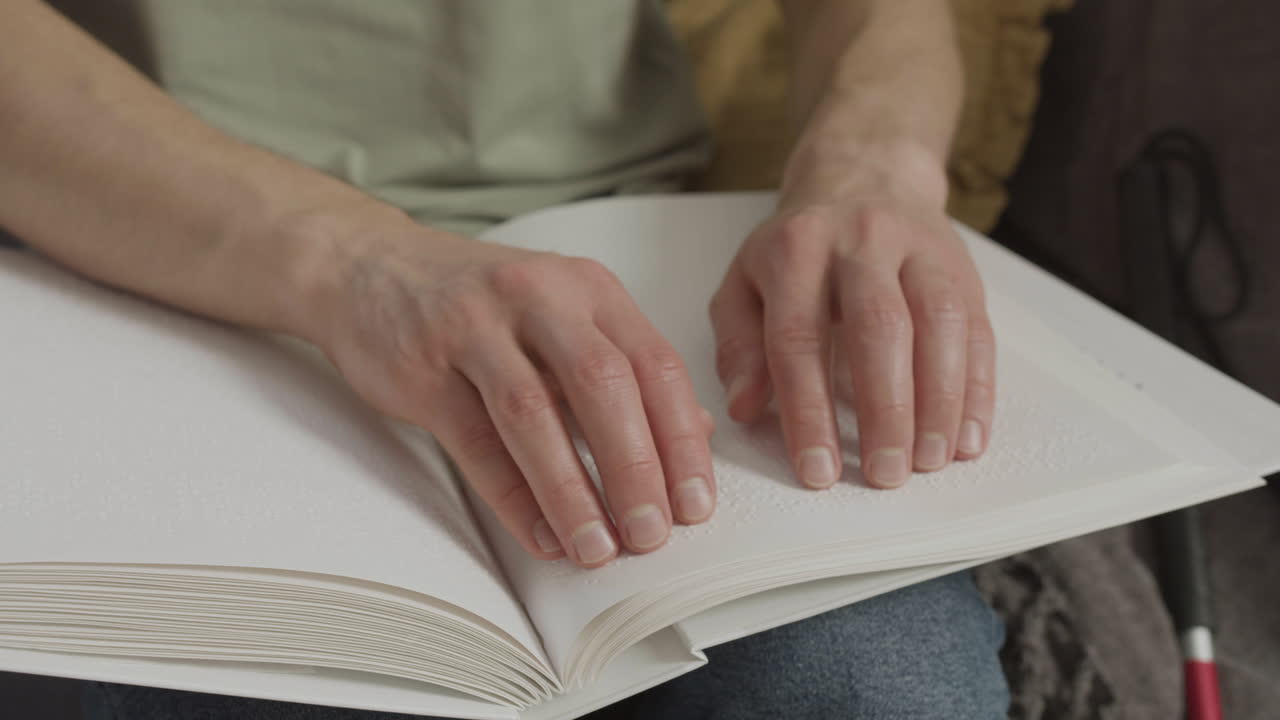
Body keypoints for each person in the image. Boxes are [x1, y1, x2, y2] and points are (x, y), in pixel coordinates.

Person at [1, 1, 1008, 717]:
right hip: (150, 246)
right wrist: (351, 260)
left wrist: (872, 160)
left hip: (622, 238)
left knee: (876, 687)